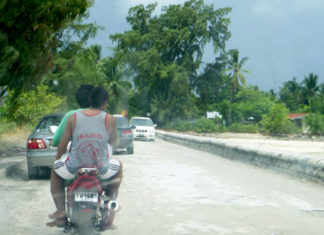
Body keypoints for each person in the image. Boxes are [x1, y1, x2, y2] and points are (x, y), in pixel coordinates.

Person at [47, 87, 122, 230]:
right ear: (105, 103)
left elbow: (62, 145)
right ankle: (108, 213)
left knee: (55, 169)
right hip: (101, 169)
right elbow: (114, 144)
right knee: (119, 168)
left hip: (74, 168)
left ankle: (61, 212)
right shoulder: (110, 119)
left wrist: (59, 158)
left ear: (89, 101)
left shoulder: (73, 117)